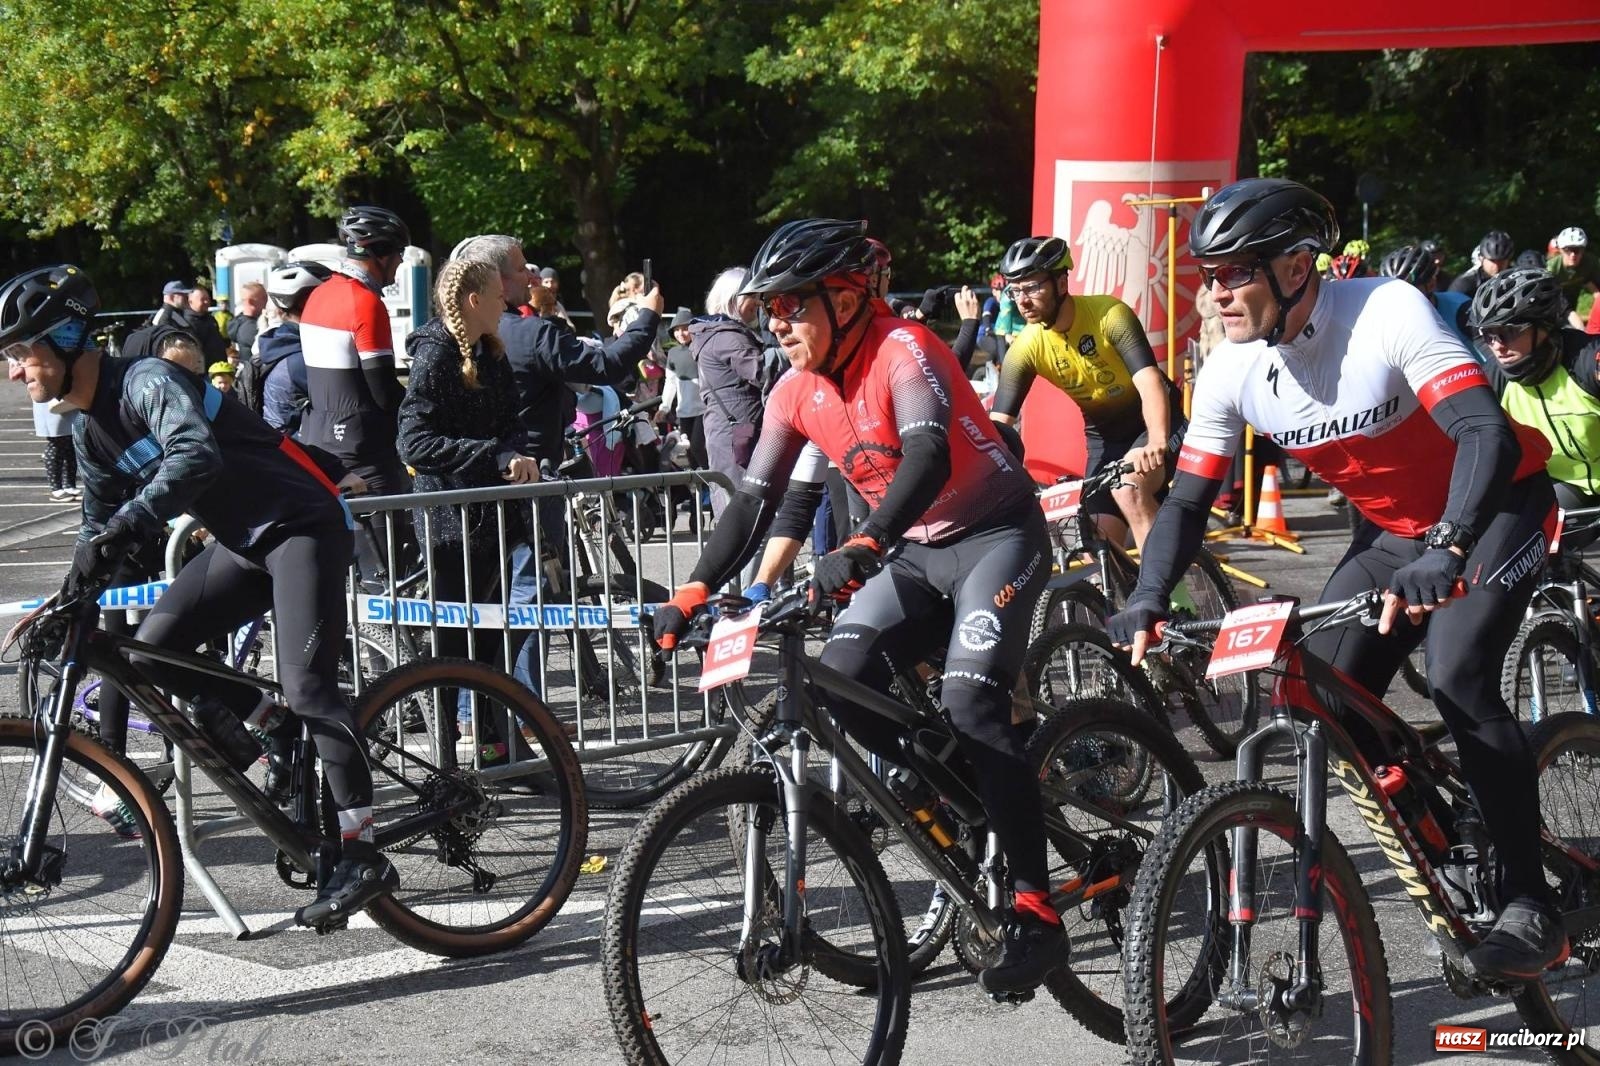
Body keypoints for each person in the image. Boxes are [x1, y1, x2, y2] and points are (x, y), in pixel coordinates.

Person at [1106, 178, 1565, 982]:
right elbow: (1185, 501)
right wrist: (1147, 598)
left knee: (1458, 675)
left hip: (1493, 507)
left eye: (1231, 273)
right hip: (1396, 533)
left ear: (1293, 267)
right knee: (1323, 693)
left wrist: (1450, 549)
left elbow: (1484, 436)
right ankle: (1449, 827)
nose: (1214, 294)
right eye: (1206, 276)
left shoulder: (1384, 311)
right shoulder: (1231, 368)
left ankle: (1531, 905)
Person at [652, 219, 1064, 996]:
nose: (777, 322)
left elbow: (928, 455)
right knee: (841, 677)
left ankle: (1038, 914)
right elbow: (751, 499)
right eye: (769, 309)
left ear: (845, 300)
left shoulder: (903, 349)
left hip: (996, 535)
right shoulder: (795, 390)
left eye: (791, 306)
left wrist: (867, 542)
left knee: (971, 703)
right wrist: (692, 590)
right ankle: (965, 798)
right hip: (912, 553)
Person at [0, 264, 391, 927]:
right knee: (151, 652)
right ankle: (274, 731)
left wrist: (128, 524)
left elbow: (194, 458)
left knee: (310, 686)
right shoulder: (91, 431)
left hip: (302, 525)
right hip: (244, 543)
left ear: (66, 338)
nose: (14, 373)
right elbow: (98, 534)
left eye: (20, 354)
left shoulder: (145, 381)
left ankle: (361, 853)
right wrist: (63, 603)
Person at [396, 257, 539, 754]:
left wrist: (519, 455)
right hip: (450, 520)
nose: (509, 303)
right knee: (455, 641)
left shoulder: (492, 351)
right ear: (474, 301)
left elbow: (510, 423)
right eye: (501, 297)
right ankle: (448, 751)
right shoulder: (436, 354)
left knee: (489, 637)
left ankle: (495, 744)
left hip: (492, 516)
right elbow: (413, 442)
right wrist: (493, 454)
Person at [988, 235, 1184, 551]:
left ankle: (1166, 596)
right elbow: (998, 426)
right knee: (1094, 538)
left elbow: (1150, 382)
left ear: (1061, 283)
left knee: (1130, 489)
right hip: (1105, 438)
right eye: (1015, 290)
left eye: (1033, 288)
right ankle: (1120, 596)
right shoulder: (1026, 347)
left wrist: (1158, 442)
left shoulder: (1109, 315)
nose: (1022, 300)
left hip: (1156, 423)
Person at [299, 205, 412, 497]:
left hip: (321, 442)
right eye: (400, 252)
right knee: (394, 541)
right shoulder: (365, 302)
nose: (401, 261)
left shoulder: (319, 294)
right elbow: (384, 393)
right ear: (381, 252)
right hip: (365, 455)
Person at [1471, 268, 1600, 509]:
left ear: (1544, 325)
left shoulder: (1588, 359)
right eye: (1488, 335)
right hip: (1568, 485)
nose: (1497, 346)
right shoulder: (1496, 377)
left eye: (1507, 332)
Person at [691, 267, 766, 518]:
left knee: (736, 508)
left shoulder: (716, 334)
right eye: (751, 296)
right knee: (740, 511)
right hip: (737, 436)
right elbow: (762, 371)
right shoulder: (727, 337)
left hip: (731, 433)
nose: (757, 302)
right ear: (732, 298)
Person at [254, 261, 330, 433]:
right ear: (307, 302)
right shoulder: (299, 358)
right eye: (327, 298)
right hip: (300, 452)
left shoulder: (283, 344)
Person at [1379, 244, 1473, 348]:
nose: (1399, 298)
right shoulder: (1385, 325)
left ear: (1431, 284)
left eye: (1408, 290)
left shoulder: (1461, 307)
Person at [1547, 227, 1600, 329]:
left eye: (1577, 250)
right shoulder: (1551, 268)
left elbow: (1595, 288)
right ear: (1561, 250)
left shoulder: (1591, 263)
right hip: (1554, 304)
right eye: (1567, 250)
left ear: (1583, 250)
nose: (1572, 255)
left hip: (1572, 303)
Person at [1448, 230, 1514, 298]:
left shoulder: (1516, 278)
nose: (1496, 266)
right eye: (1492, 260)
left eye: (1501, 261)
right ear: (1481, 258)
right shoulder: (1464, 283)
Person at [186, 284, 229, 366]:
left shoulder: (210, 319)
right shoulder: (187, 322)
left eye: (207, 299)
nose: (206, 302)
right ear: (190, 301)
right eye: (202, 299)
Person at [226, 282, 267, 357]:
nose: (267, 301)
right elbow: (269, 346)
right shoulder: (248, 327)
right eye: (264, 298)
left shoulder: (243, 321)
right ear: (251, 302)